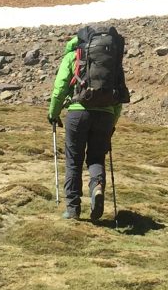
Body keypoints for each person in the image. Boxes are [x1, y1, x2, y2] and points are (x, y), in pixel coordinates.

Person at [47, 26, 126, 221]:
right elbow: (118, 96)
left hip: (78, 113)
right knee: (96, 158)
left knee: (74, 161)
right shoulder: (112, 60)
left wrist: (53, 114)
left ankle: (73, 209)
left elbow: (60, 88)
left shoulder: (74, 55)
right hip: (106, 115)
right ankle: (97, 187)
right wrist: (112, 122)